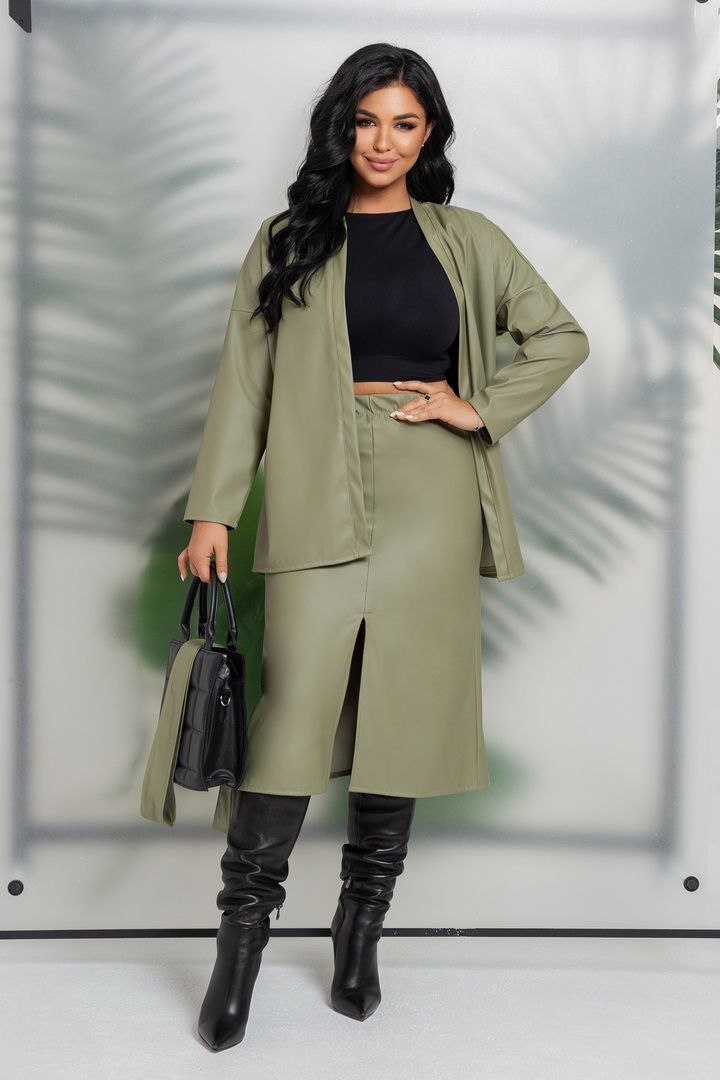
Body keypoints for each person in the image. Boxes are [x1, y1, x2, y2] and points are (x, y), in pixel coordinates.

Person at [177, 42, 589, 1053]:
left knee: (399, 715)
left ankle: (359, 938)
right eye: (366, 121)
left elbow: (560, 337)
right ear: (340, 127)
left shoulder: (468, 238)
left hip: (430, 494)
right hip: (316, 485)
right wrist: (213, 511)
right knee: (292, 718)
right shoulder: (288, 240)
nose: (383, 142)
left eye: (405, 123)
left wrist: (474, 407)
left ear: (429, 132)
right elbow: (245, 383)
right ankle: (239, 951)